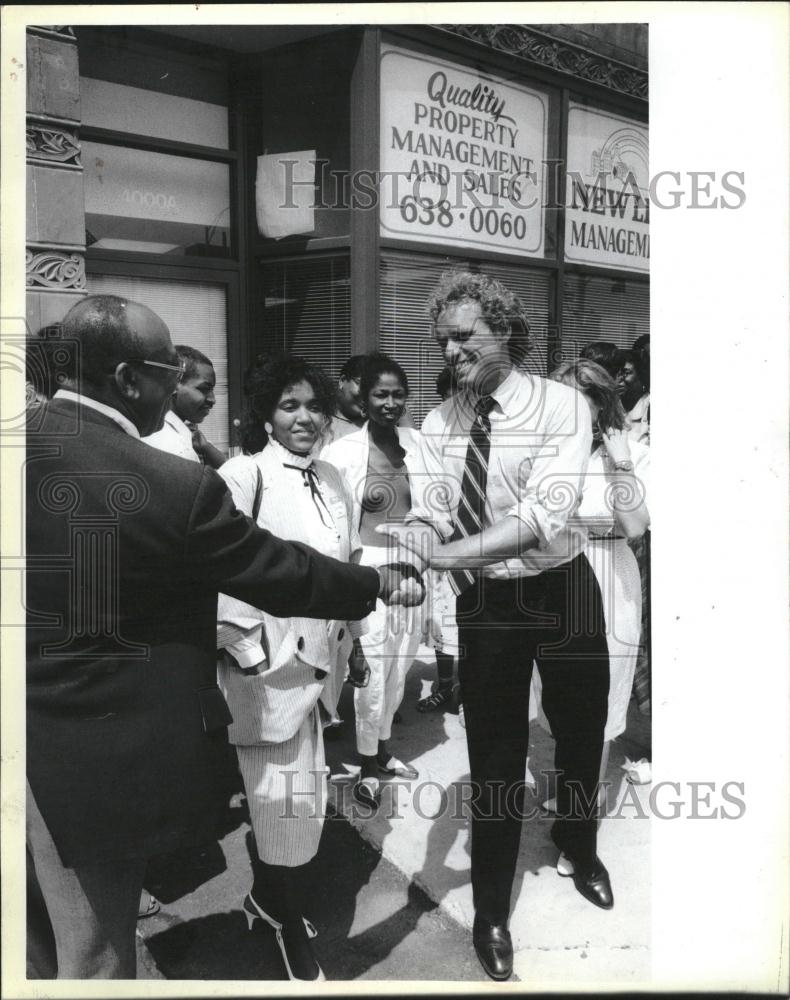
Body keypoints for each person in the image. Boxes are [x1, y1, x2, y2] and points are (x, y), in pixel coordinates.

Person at [25, 294, 423, 979]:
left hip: (31, 737)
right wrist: (380, 586)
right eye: (167, 370)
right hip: (88, 756)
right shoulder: (174, 484)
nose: (179, 388)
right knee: (94, 956)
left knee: (33, 942)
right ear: (127, 379)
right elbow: (276, 570)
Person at [384, 271, 612, 982]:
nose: (451, 352)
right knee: (494, 755)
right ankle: (490, 909)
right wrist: (416, 540)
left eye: (464, 336)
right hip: (490, 603)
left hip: (563, 587)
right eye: (443, 340)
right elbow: (431, 507)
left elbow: (545, 516)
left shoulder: (562, 405)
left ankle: (579, 844)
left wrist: (446, 552)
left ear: (505, 330)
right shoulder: (437, 423)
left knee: (579, 730)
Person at [215, 353, 369, 982]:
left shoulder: (332, 476)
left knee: (300, 801)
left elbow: (347, 564)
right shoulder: (242, 474)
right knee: (279, 803)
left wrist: (353, 642)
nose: (305, 417)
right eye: (289, 405)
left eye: (314, 405)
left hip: (320, 668)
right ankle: (284, 918)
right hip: (268, 672)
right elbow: (218, 572)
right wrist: (252, 659)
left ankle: (273, 897)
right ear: (266, 415)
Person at [530, 359, 650, 805]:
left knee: (600, 696)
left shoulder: (632, 454)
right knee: (559, 696)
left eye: (579, 404)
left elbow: (635, 526)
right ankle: (571, 789)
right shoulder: (546, 453)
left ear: (601, 405)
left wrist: (621, 462)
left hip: (607, 580)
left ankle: (584, 809)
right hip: (554, 575)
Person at [322, 353, 424, 808]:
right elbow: (333, 520)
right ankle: (365, 763)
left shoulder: (419, 445)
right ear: (363, 399)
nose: (389, 402)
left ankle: (383, 751)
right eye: (380, 394)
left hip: (415, 567)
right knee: (372, 670)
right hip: (369, 568)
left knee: (400, 665)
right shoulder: (341, 453)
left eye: (398, 394)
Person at [416, 366, 459, 714]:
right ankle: (446, 687)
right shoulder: (435, 430)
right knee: (442, 622)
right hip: (445, 539)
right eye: (450, 395)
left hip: (483, 543)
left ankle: (472, 697)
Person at [143, 344, 225, 468]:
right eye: (204, 389)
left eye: (212, 390)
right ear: (173, 384)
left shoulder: (154, 429)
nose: (212, 400)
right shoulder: (177, 447)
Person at [617, 346, 650, 444]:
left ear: (641, 375)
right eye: (617, 373)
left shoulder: (649, 404)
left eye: (626, 373)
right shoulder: (612, 403)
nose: (619, 379)